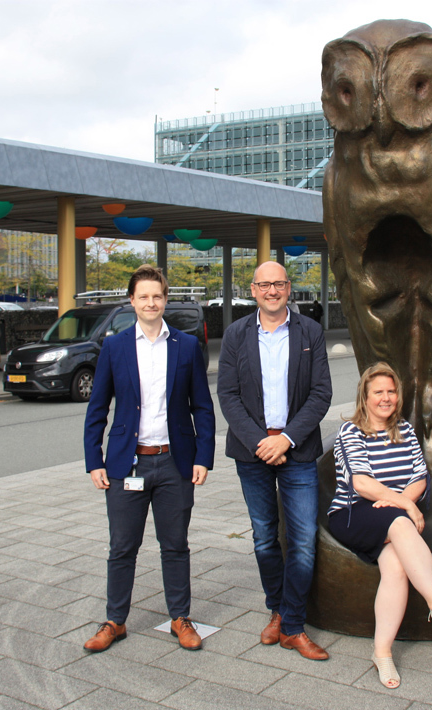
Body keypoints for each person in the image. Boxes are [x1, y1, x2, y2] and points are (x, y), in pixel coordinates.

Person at [83, 265, 215, 653]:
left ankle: (180, 618)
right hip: (127, 464)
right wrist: (94, 460)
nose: (151, 302)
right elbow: (97, 409)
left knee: (175, 545)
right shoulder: (115, 347)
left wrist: (203, 457)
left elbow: (202, 407)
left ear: (165, 299)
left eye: (157, 296)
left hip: (175, 462)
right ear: (132, 301)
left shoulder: (186, 346)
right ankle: (115, 620)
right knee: (122, 547)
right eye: (143, 296)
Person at [217, 261, 332, 660]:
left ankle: (294, 626)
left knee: (303, 539)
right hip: (252, 452)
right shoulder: (235, 334)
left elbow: (321, 393)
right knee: (265, 536)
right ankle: (278, 610)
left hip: (297, 449)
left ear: (288, 288)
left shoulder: (310, 331)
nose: (272, 291)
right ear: (252, 290)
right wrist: (259, 442)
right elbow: (228, 395)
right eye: (264, 284)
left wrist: (285, 438)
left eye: (279, 284)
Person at [328, 362, 432, 689]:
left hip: (392, 512)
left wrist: (402, 501)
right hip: (353, 513)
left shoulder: (404, 429)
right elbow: (361, 483)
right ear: (365, 396)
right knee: (401, 523)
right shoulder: (351, 432)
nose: (386, 398)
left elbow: (419, 476)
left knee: (396, 568)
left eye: (391, 391)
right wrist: (405, 505)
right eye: (378, 392)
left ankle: (382, 653)